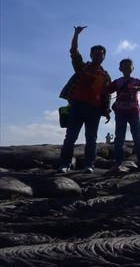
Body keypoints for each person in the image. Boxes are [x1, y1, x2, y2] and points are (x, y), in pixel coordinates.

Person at [58, 25, 111, 174]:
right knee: (70, 137)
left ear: (104, 57)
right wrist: (76, 34)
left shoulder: (105, 75)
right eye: (95, 53)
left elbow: (105, 95)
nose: (98, 56)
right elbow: (73, 52)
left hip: (94, 109)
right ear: (91, 55)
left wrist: (106, 111)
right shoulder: (82, 67)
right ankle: (64, 164)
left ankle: (89, 165)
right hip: (77, 106)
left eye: (101, 54)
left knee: (91, 139)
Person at [107, 58, 140, 171]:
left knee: (138, 136)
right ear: (120, 69)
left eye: (129, 66)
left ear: (133, 68)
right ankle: (118, 162)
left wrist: (138, 88)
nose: (127, 68)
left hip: (133, 111)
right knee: (119, 137)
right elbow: (106, 91)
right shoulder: (117, 82)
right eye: (124, 66)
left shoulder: (136, 81)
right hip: (120, 111)